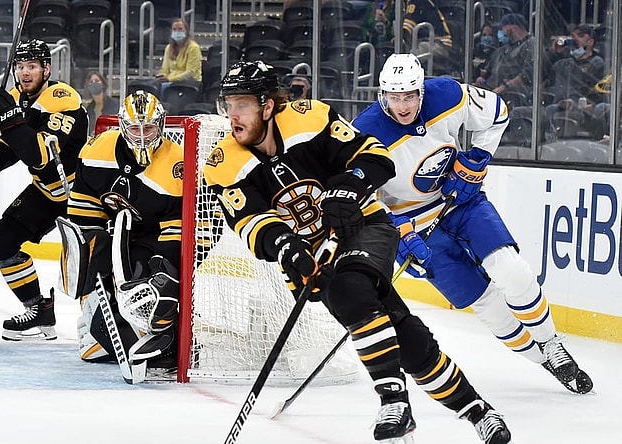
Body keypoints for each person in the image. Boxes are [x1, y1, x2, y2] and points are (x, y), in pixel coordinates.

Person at [205, 60, 512, 443]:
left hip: (367, 227)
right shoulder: (222, 163)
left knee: (352, 290)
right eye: (228, 105)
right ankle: (479, 411)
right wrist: (286, 248)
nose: (232, 115)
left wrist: (350, 185)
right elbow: (250, 221)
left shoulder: (311, 119)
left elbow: (375, 156)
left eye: (242, 105)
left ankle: (393, 402)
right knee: (405, 334)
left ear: (268, 105)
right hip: (312, 257)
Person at [352, 53, 593, 396]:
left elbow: (498, 113)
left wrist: (477, 158)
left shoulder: (447, 95)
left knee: (511, 270)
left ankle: (552, 343)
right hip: (413, 227)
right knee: (486, 304)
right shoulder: (364, 133)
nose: (402, 105)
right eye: (394, 97)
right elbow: (357, 196)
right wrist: (395, 230)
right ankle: (543, 361)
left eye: (409, 96)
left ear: (421, 91)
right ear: (382, 95)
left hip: (460, 200)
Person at [0, 39, 88, 341]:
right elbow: (11, 145)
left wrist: (8, 120)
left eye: (32, 66)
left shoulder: (62, 98)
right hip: (47, 191)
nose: (24, 72)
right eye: (20, 66)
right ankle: (38, 311)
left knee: (89, 263)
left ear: (47, 68)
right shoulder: (16, 97)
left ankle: (108, 322)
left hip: (81, 195)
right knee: (0, 240)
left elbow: (41, 157)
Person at [60, 91, 181, 371]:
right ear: (122, 126)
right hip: (116, 232)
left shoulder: (177, 164)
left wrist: (164, 266)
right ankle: (94, 324)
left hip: (153, 237)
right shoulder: (97, 150)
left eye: (149, 127)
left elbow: (177, 226)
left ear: (160, 126)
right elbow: (83, 211)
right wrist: (97, 253)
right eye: (135, 128)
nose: (142, 136)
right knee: (89, 254)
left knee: (151, 278)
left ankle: (164, 335)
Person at [543, 24, 606, 137]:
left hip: (584, 107)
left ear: (590, 42)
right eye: (573, 36)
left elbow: (593, 89)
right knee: (549, 110)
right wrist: (554, 52)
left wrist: (576, 102)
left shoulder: (597, 63)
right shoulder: (565, 63)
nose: (575, 39)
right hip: (562, 105)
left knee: (569, 114)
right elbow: (543, 73)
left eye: (580, 36)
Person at [475, 13, 535, 106]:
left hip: (513, 95)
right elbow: (487, 70)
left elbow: (527, 74)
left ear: (514, 28)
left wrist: (504, 87)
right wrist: (482, 78)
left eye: (503, 28)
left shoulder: (531, 45)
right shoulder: (503, 49)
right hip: (492, 91)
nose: (501, 31)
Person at [155, 17, 203, 93]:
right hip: (171, 81)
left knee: (163, 88)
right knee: (153, 86)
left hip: (190, 83)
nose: (177, 32)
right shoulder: (168, 48)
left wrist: (170, 79)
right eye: (174, 29)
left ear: (186, 31)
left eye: (180, 29)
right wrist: (162, 76)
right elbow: (165, 69)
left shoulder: (193, 48)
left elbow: (190, 73)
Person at [83, 70, 118, 136]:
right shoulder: (89, 109)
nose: (94, 83)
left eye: (97, 81)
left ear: (103, 84)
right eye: (91, 82)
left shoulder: (114, 105)